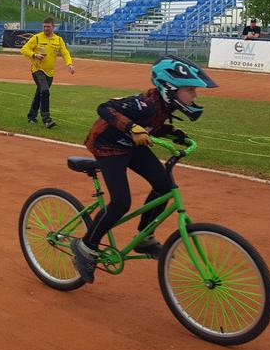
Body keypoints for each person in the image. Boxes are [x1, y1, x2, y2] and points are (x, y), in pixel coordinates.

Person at [70, 56, 218, 284]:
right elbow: (105, 108)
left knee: (164, 185)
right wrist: (131, 127)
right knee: (121, 202)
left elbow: (152, 126)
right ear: (170, 88)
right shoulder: (145, 105)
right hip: (107, 145)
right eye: (190, 89)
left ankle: (144, 237)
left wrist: (175, 134)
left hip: (131, 144)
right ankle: (86, 246)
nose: (194, 95)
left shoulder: (163, 105)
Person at [20, 17, 75, 128]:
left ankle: (31, 116)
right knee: (45, 91)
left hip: (50, 73)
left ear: (53, 27)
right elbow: (24, 49)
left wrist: (69, 64)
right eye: (44, 26)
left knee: (39, 94)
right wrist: (35, 55)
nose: (46, 28)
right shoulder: (36, 38)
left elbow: (65, 52)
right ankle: (47, 119)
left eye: (48, 26)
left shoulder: (58, 40)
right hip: (37, 70)